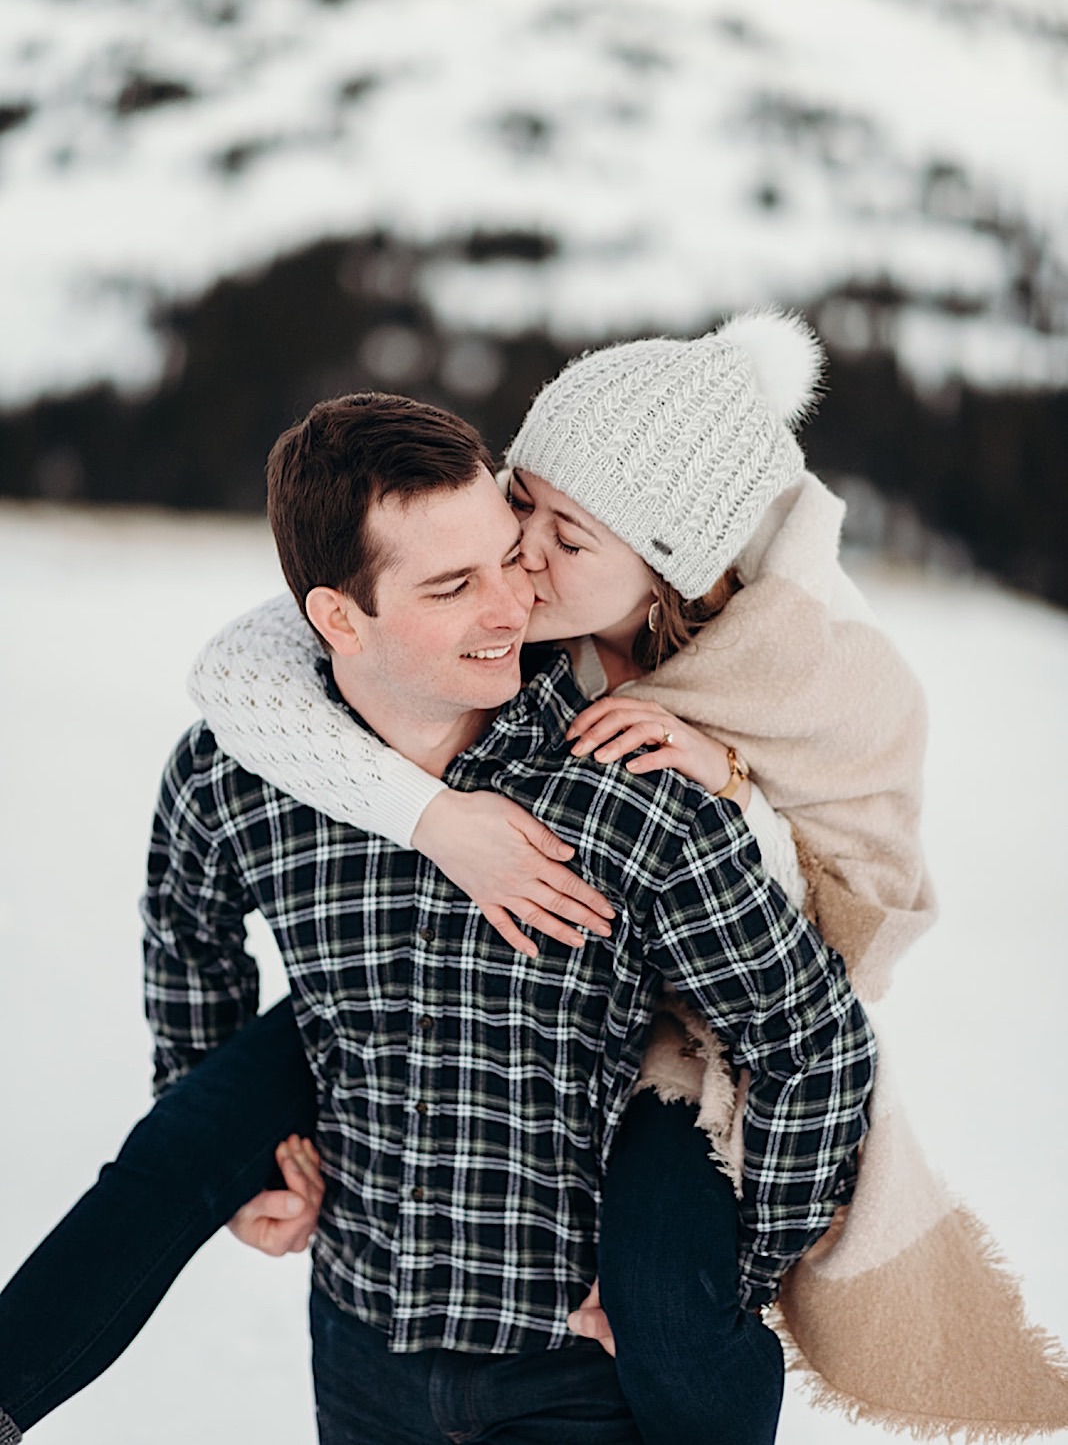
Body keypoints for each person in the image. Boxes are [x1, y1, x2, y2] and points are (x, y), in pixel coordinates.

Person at [0, 381, 877, 1445]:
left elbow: (813, 1040)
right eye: (453, 584)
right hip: (362, 1351)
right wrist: (239, 1152)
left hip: (570, 1378)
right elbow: (188, 930)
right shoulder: (236, 775)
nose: (511, 607)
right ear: (337, 616)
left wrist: (707, 1287)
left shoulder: (624, 788)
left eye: (509, 558)